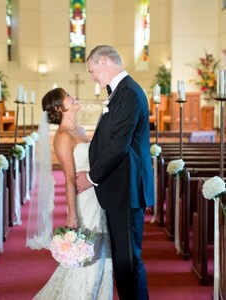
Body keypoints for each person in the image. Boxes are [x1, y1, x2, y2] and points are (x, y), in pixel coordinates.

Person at [76, 45, 154, 300]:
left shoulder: (129, 93)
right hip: (120, 189)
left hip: (127, 190)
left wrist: (90, 178)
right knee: (123, 260)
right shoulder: (120, 92)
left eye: (92, 70)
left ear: (105, 62)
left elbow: (119, 144)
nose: (92, 77)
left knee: (129, 262)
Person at [26, 87, 113, 299]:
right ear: (59, 107)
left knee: (102, 252)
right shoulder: (63, 137)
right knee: (88, 255)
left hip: (96, 196)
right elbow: (68, 178)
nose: (72, 97)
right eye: (67, 96)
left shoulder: (80, 130)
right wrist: (72, 215)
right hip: (83, 203)